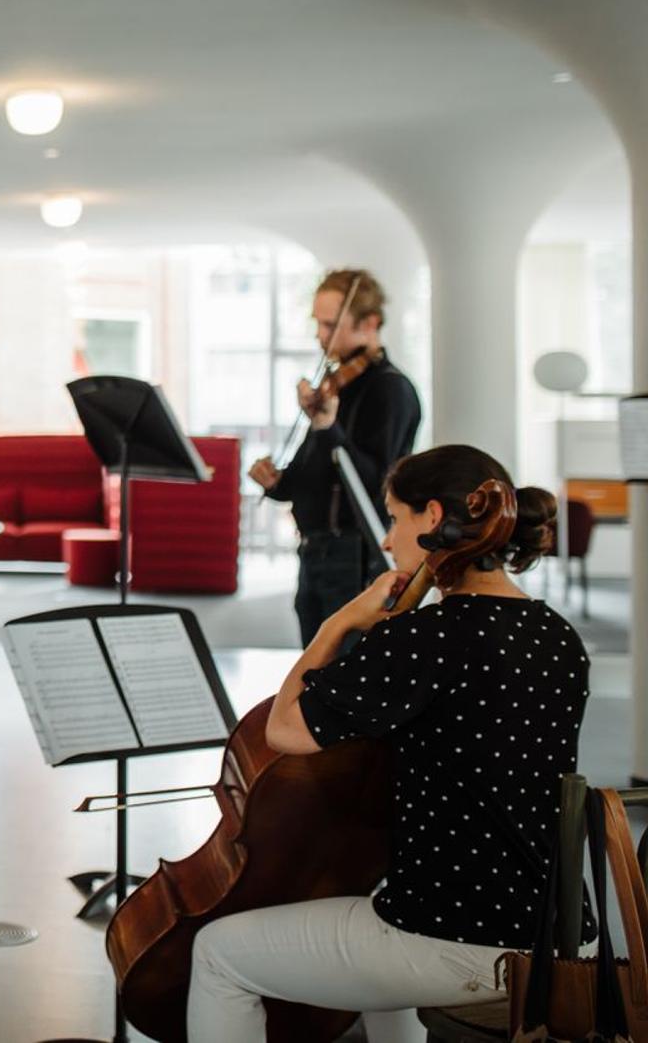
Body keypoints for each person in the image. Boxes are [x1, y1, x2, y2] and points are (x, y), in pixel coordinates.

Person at [188, 445, 585, 1043]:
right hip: (551, 929)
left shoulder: (429, 636)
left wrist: (338, 623)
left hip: (463, 941)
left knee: (218, 953)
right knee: (379, 924)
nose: (387, 538)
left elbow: (286, 729)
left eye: (394, 518)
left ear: (432, 518)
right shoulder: (557, 634)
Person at [248, 268, 422, 646]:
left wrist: (329, 428)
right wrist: (279, 483)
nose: (319, 336)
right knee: (314, 666)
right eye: (318, 324)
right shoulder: (337, 385)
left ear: (369, 323)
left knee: (339, 672)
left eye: (329, 325)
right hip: (316, 550)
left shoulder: (389, 389)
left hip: (352, 553)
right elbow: (316, 472)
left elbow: (375, 482)